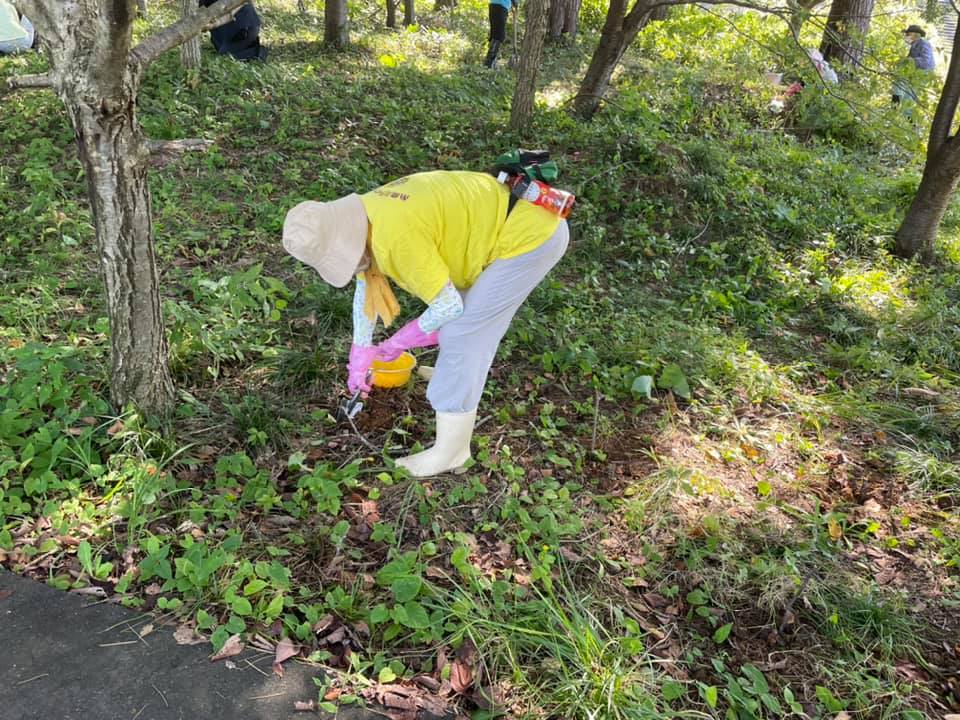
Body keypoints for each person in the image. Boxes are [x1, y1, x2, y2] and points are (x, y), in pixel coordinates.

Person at [282, 171, 569, 477]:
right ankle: (453, 376)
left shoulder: (394, 238)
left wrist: (400, 341)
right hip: (502, 223)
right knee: (464, 327)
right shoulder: (367, 215)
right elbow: (367, 286)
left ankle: (452, 453)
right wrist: (361, 350)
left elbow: (448, 305)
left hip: (532, 234)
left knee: (463, 334)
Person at [893, 24, 935, 104]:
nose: (906, 36)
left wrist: (909, 60)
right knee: (899, 81)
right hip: (915, 72)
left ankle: (903, 110)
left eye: (908, 34)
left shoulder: (923, 43)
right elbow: (908, 61)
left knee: (909, 96)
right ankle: (895, 105)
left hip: (923, 73)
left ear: (916, 35)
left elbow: (926, 61)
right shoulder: (914, 45)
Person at [484, 0, 516, 69]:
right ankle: (489, 63)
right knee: (499, 36)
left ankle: (490, 63)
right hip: (501, 7)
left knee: (494, 34)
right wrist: (515, 4)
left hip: (493, 5)